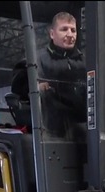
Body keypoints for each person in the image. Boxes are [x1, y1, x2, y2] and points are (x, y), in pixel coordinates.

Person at [37, 11, 87, 142]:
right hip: (53, 131)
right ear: (52, 34)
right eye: (64, 29)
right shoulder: (40, 60)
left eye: (73, 30)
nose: (70, 34)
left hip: (81, 126)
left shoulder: (85, 62)